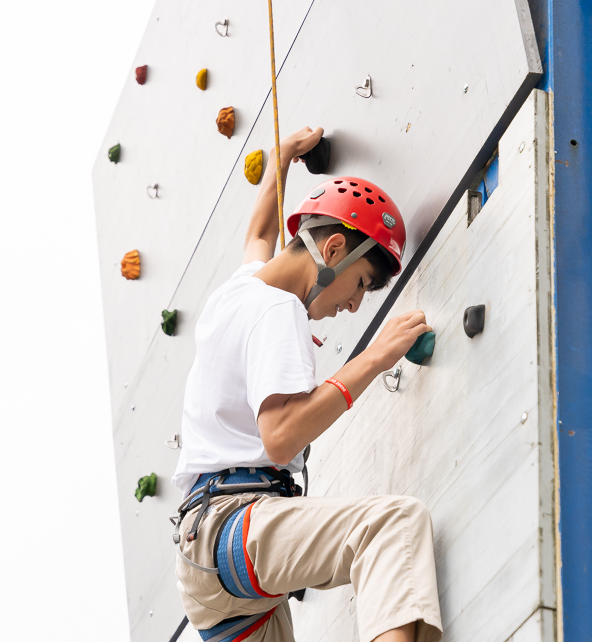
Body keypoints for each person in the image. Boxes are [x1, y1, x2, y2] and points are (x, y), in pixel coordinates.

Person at [171, 126, 442, 642]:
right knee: (390, 527)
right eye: (361, 281)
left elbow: (259, 236)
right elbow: (280, 436)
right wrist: (375, 358)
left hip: (209, 563)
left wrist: (282, 159)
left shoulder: (242, 288)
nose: (355, 304)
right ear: (333, 247)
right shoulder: (279, 309)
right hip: (233, 528)